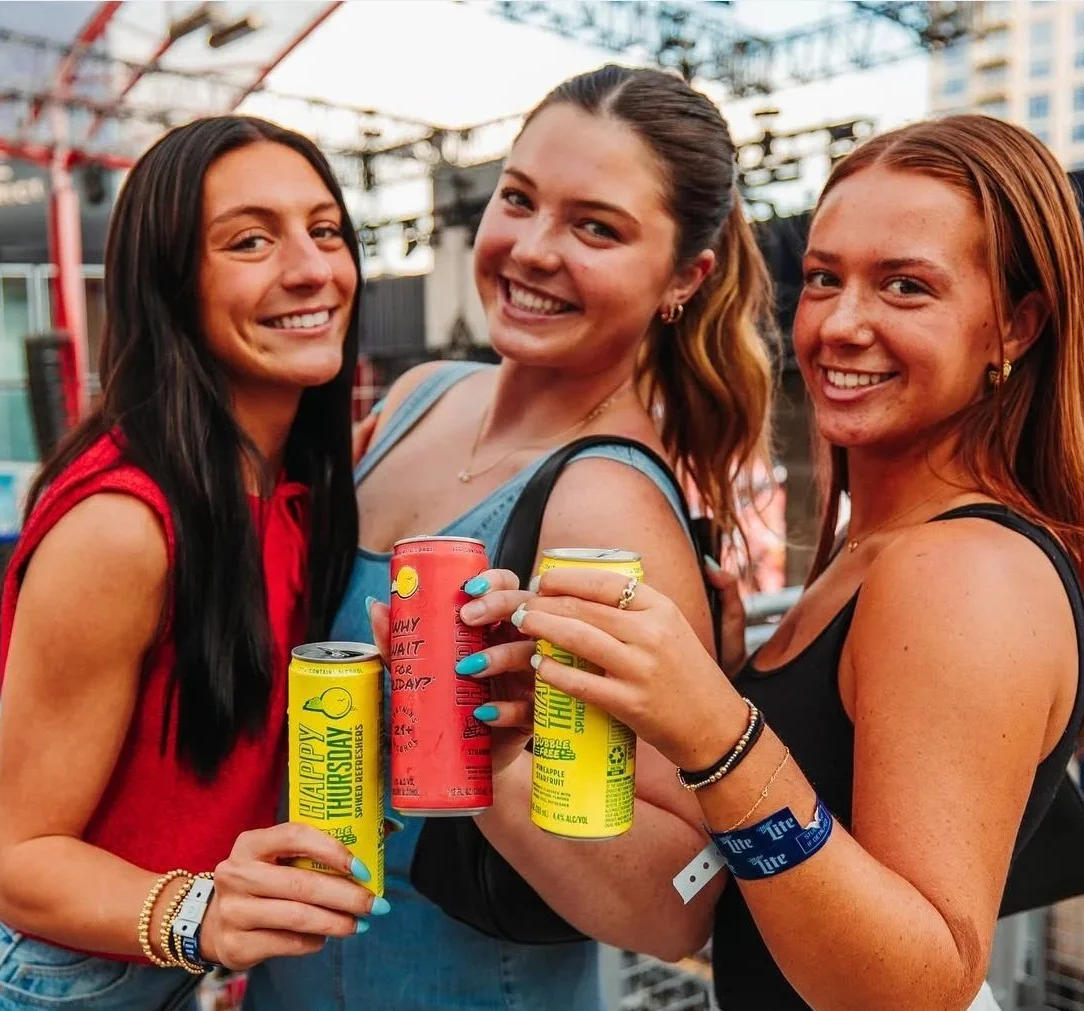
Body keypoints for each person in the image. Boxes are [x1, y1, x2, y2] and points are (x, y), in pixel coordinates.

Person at [498, 114, 1084, 1010]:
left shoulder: (960, 571)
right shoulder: (880, 547)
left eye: (904, 286)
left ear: (1015, 327)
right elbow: (767, 862)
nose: (840, 324)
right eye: (824, 278)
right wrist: (679, 702)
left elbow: (921, 985)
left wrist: (719, 729)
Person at [245, 63, 774, 1011]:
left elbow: (678, 904)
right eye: (519, 199)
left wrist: (492, 751)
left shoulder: (606, 504)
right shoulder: (420, 397)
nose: (532, 250)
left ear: (682, 278)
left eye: (595, 228)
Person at [0, 116, 388, 1011]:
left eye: (325, 230)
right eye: (250, 241)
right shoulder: (123, 525)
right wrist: (201, 914)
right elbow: (14, 860)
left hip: (151, 967)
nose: (312, 269)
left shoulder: (290, 484)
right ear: (170, 285)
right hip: (56, 978)